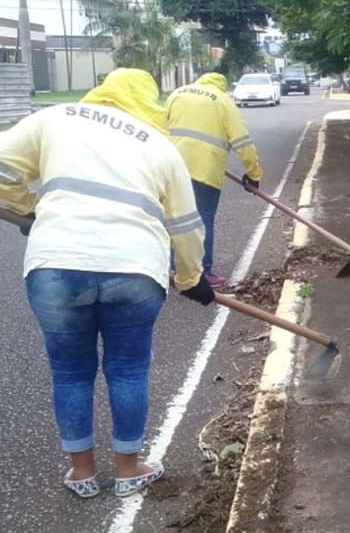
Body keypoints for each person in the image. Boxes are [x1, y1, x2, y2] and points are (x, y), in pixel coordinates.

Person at [0, 68, 215, 498]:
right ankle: (128, 468)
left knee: (70, 372)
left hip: (57, 265)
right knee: (128, 369)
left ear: (101, 91)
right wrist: (192, 278)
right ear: (149, 100)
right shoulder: (160, 146)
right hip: (134, 269)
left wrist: (30, 211)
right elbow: (187, 225)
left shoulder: (56, 118)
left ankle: (82, 474)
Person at [165, 73, 263, 287]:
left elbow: (160, 125)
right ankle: (202, 273)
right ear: (221, 85)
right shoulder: (222, 100)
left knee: (176, 218)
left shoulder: (178, 93)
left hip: (172, 166)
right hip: (204, 169)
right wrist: (253, 175)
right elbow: (242, 140)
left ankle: (174, 268)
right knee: (203, 219)